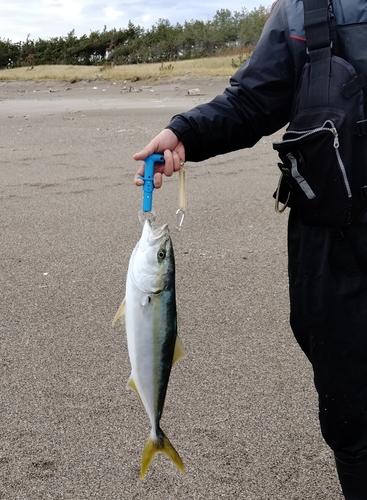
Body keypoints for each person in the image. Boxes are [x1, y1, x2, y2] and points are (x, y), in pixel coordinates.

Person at [133, 1, 367, 498]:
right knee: (353, 420)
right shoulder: (302, 12)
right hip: (335, 248)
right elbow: (251, 101)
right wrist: (186, 132)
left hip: (336, 250)